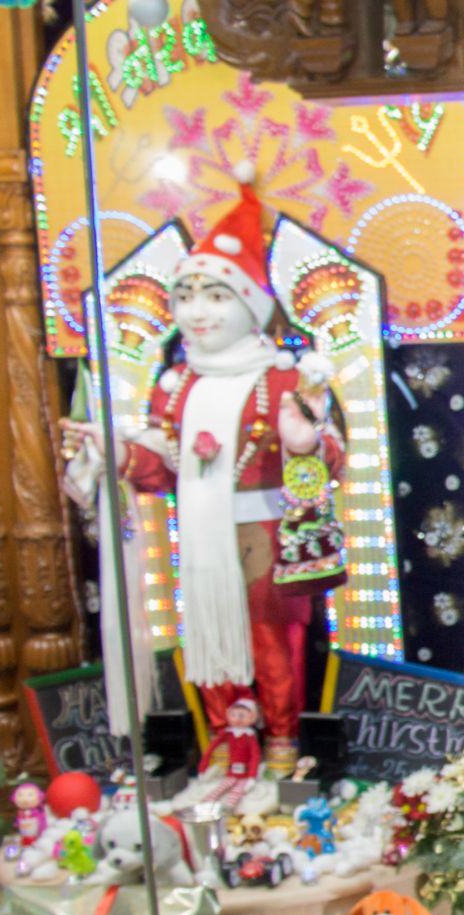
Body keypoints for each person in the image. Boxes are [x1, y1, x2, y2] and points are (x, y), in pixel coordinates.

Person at [63, 171, 345, 774]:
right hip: (199, 539)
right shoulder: (177, 387)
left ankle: (281, 744)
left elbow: (325, 473)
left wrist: (305, 447)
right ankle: (225, 740)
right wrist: (120, 458)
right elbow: (163, 468)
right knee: (208, 642)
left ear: (251, 306)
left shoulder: (284, 380)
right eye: (186, 296)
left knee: (274, 644)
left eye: (215, 296)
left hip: (264, 536)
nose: (197, 312)